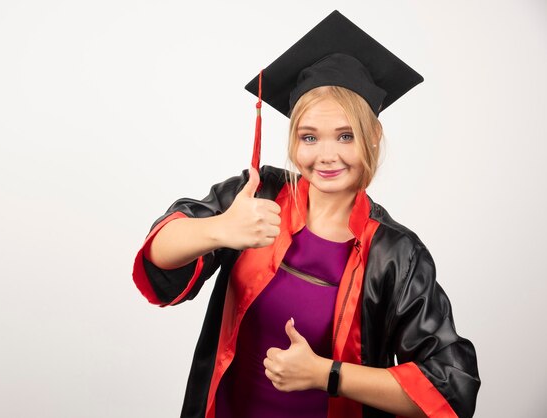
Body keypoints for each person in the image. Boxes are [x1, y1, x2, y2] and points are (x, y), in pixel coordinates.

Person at [132, 10, 480, 418]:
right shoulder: (258, 194)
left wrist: (326, 375)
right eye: (309, 136)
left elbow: (450, 389)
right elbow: (158, 255)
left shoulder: (395, 253)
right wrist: (220, 229)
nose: (326, 155)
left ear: (372, 138)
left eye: (346, 135)